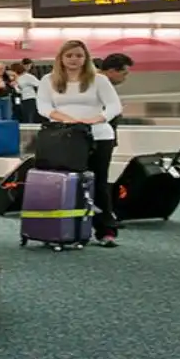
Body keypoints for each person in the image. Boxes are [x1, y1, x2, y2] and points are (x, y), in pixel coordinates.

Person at [37, 40, 123, 247]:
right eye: (69, 56)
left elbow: (114, 106)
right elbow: (43, 106)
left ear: (86, 58)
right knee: (69, 184)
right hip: (66, 138)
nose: (74, 60)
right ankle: (69, 230)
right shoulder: (49, 80)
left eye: (78, 55)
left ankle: (105, 230)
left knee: (98, 183)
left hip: (99, 136)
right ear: (61, 58)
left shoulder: (99, 80)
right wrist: (65, 118)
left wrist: (97, 119)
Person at [16, 59, 42, 123]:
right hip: (19, 98)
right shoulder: (16, 77)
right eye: (27, 66)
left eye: (29, 66)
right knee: (21, 114)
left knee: (29, 115)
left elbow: (39, 84)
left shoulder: (28, 76)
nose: (28, 68)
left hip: (29, 98)